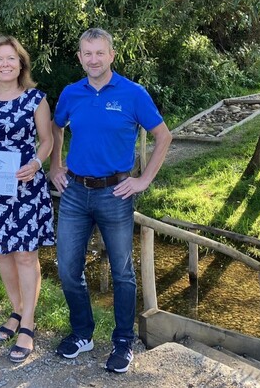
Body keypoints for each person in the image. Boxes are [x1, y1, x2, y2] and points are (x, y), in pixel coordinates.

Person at [49, 28, 172, 373]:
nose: (93, 59)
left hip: (116, 193)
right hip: (74, 192)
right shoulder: (71, 93)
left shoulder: (133, 94)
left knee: (122, 272)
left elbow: (164, 136)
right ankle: (82, 333)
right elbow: (56, 128)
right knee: (68, 269)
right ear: (79, 57)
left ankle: (122, 341)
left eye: (99, 53)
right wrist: (55, 164)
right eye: (87, 54)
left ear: (112, 55)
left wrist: (143, 179)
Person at [0, 36, 55, 364]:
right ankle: (17, 311)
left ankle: (28, 324)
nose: (5, 63)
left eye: (11, 58)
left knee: (25, 257)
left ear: (21, 64)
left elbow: (46, 141)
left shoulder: (36, 99)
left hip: (26, 186)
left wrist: (36, 163)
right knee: (3, 255)